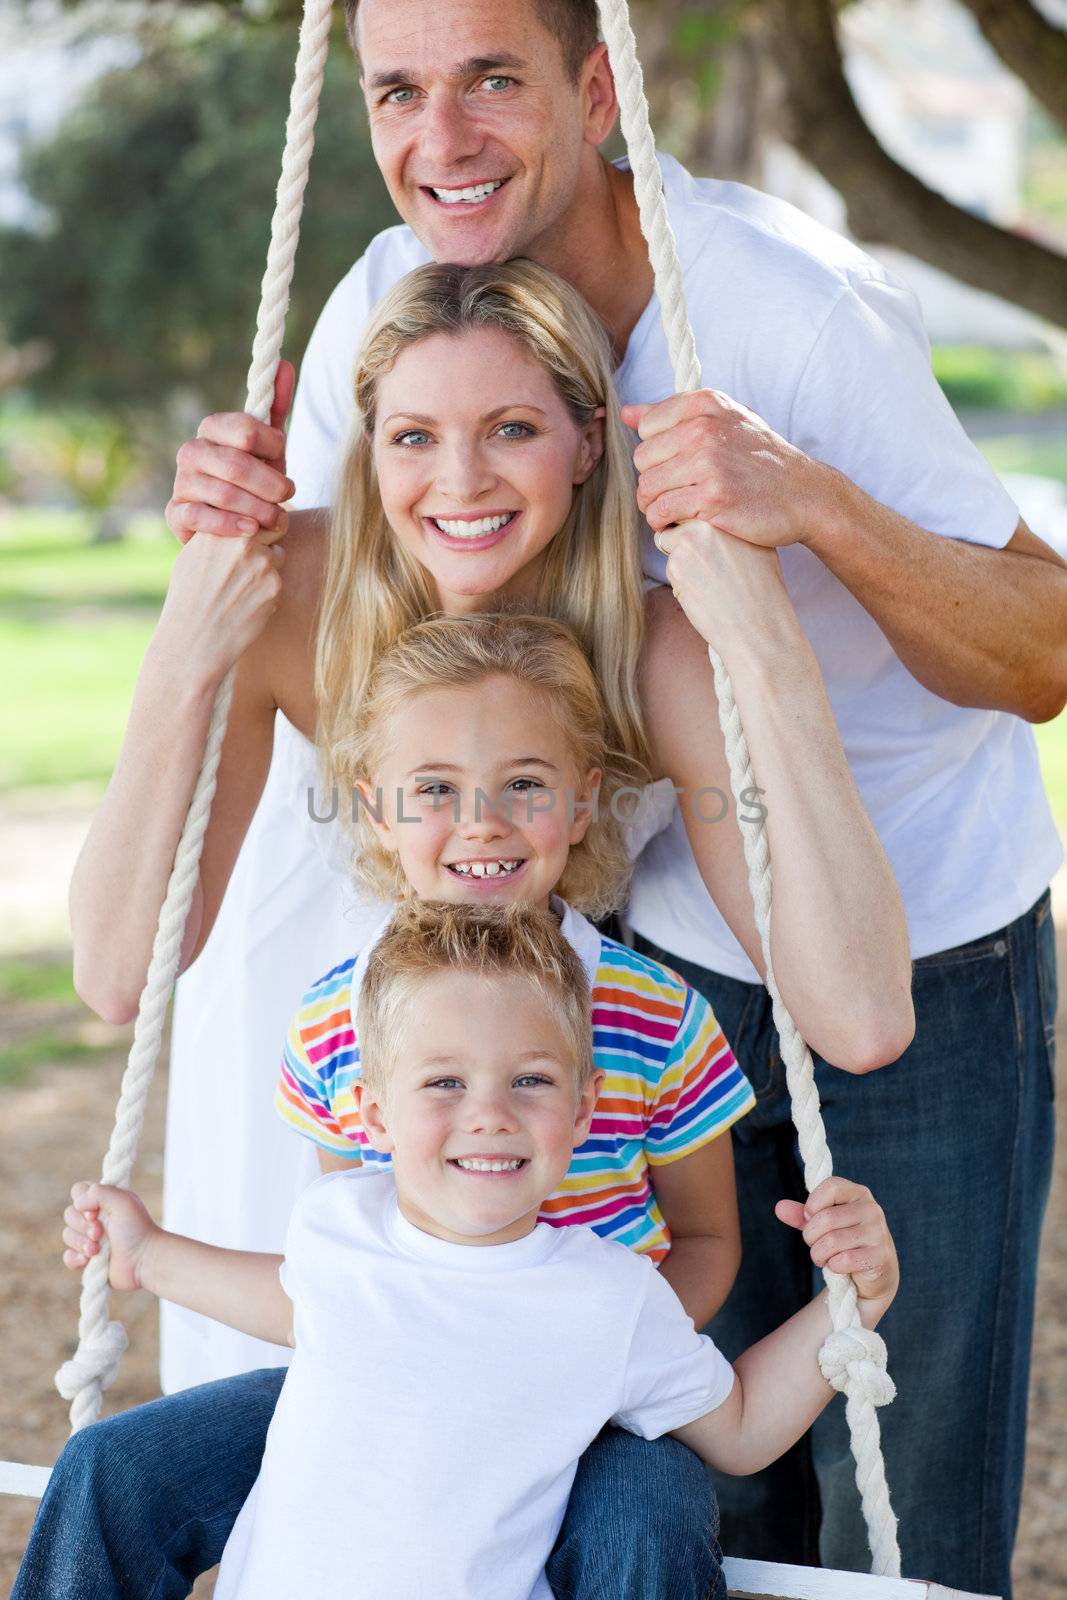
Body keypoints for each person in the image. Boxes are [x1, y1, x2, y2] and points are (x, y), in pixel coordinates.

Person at [161, 2, 1066, 1590]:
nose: (440, 139)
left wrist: (812, 509)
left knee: (893, 1480)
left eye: (491, 80)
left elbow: (1038, 647)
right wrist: (230, 538)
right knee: (684, 1465)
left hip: (916, 932)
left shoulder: (778, 315)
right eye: (398, 90)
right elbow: (358, 577)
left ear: (595, 92)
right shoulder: (399, 290)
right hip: (651, 946)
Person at [59, 259, 911, 1600]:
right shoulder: (291, 590)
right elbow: (116, 974)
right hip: (402, 1318)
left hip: (575, 1329)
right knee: (118, 1472)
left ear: (586, 440)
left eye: (510, 427)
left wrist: (764, 651)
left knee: (641, 1523)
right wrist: (186, 632)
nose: (457, 479)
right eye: (412, 436)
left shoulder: (648, 647)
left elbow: (858, 1020)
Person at [57, 900, 900, 1600]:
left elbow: (743, 1428)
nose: (489, 1113)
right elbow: (300, 1302)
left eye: (529, 1080)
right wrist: (151, 1254)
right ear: (373, 1116)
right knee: (109, 1465)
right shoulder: (339, 1222)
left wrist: (851, 1303)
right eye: (444, 1082)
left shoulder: (607, 1296)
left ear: (580, 1112)